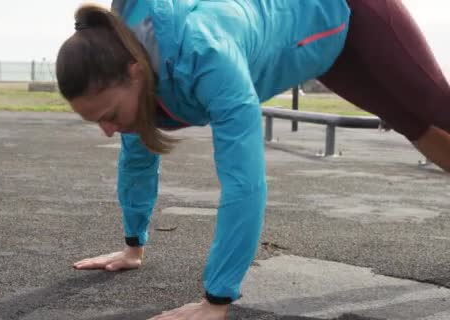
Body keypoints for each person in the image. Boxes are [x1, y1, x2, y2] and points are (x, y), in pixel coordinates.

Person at [55, 0, 450, 319]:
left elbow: (243, 182)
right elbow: (136, 163)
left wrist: (216, 300)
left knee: (437, 107)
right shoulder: (127, 59)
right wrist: (132, 248)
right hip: (322, 47)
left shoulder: (206, 55)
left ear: (135, 74)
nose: (107, 130)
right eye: (96, 121)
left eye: (108, 115)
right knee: (412, 125)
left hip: (351, 11)